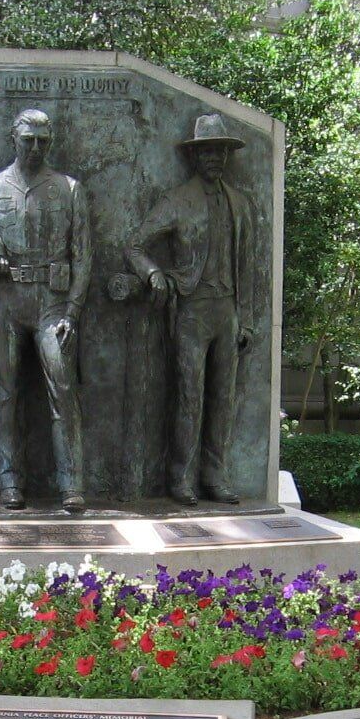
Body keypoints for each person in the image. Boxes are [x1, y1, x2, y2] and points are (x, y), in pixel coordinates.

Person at [0, 108, 91, 512]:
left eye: (42, 141)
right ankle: (10, 482)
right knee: (6, 392)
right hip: (6, 300)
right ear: (14, 139)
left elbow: (83, 257)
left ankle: (71, 485)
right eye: (28, 139)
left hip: (53, 302)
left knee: (63, 390)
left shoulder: (69, 188)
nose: (35, 147)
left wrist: (73, 313)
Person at [125, 113, 255, 506]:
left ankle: (215, 475)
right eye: (207, 152)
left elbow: (247, 265)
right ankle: (180, 477)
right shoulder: (178, 200)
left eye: (220, 151)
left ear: (227, 156)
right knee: (189, 395)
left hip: (227, 310)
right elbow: (135, 245)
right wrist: (152, 276)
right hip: (191, 310)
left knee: (223, 398)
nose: (214, 158)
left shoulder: (240, 203)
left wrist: (245, 318)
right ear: (195, 157)